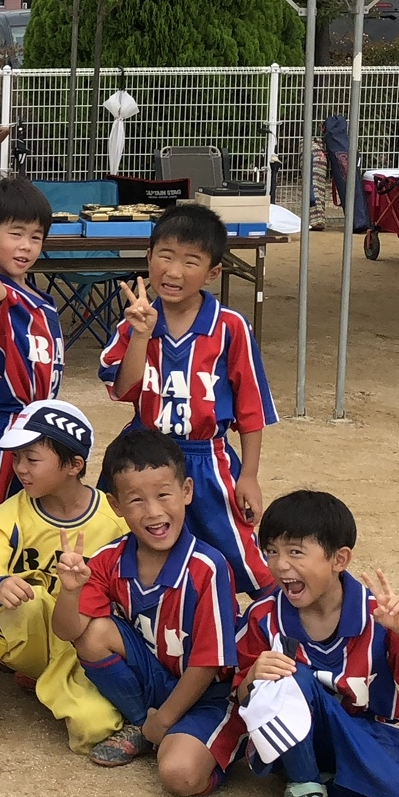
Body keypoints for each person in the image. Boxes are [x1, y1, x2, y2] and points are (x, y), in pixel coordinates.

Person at [236, 490, 399, 797]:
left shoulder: (379, 615)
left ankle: (328, 788)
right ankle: (305, 786)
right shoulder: (263, 615)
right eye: (271, 551)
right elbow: (241, 698)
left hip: (365, 734)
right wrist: (252, 676)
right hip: (294, 734)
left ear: (339, 559)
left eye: (295, 551)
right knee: (291, 674)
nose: (279, 565)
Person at [99, 202, 278, 597]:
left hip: (208, 458)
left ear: (213, 272)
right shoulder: (135, 321)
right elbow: (122, 389)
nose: (174, 271)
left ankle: (275, 629)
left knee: (241, 555)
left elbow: (250, 408)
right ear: (149, 257)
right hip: (146, 454)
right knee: (141, 545)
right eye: (165, 256)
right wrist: (141, 335)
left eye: (191, 261)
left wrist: (248, 475)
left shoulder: (230, 327)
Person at [52, 429, 244, 789]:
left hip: (208, 694)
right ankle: (143, 724)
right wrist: (68, 592)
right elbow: (69, 631)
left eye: (164, 495)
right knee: (94, 632)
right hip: (156, 678)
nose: (154, 512)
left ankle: (218, 741)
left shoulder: (208, 566)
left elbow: (208, 663)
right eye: (136, 500)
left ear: (186, 491)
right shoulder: (109, 559)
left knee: (179, 776)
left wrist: (167, 718)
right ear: (116, 506)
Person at [0, 399, 126, 749]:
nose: (20, 468)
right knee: (18, 598)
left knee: (96, 727)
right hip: (33, 632)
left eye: (32, 459)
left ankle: (43, 678)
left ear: (74, 465)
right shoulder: (6, 518)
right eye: (17, 457)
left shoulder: (116, 520)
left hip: (86, 647)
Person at [0, 176, 64, 547]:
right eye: (15, 233)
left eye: (35, 237)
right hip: (4, 424)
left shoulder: (41, 298)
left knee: (35, 516)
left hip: (42, 422)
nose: (26, 246)